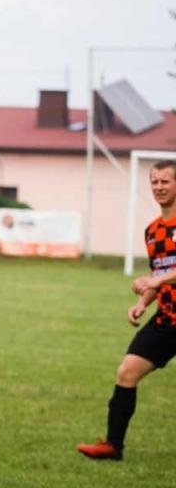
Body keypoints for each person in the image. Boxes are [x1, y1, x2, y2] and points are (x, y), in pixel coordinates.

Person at [78, 159, 176, 461]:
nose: (158, 187)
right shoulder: (152, 231)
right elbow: (159, 273)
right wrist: (142, 302)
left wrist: (157, 279)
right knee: (127, 372)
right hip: (167, 319)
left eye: (165, 182)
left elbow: (160, 275)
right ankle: (113, 446)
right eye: (154, 182)